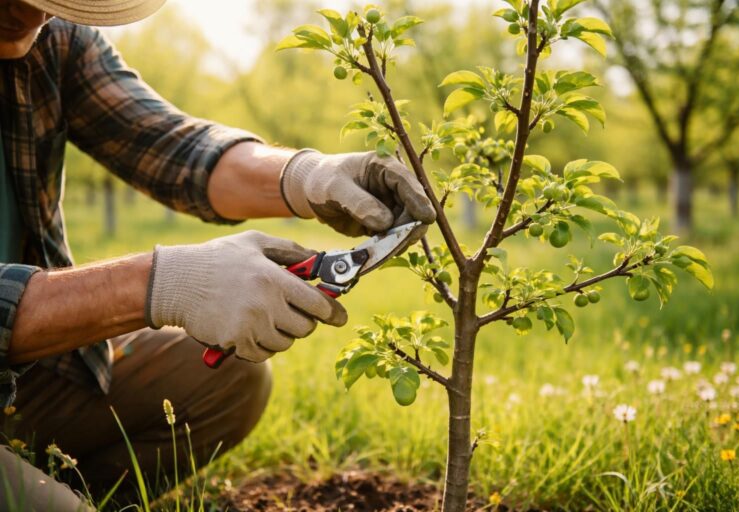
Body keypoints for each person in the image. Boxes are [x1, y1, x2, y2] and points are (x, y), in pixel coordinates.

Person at [0, 0, 436, 509]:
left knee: (228, 376)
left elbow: (173, 147)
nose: (35, 16)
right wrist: (159, 283)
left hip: (22, 379)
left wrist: (305, 175)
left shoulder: (55, 42)